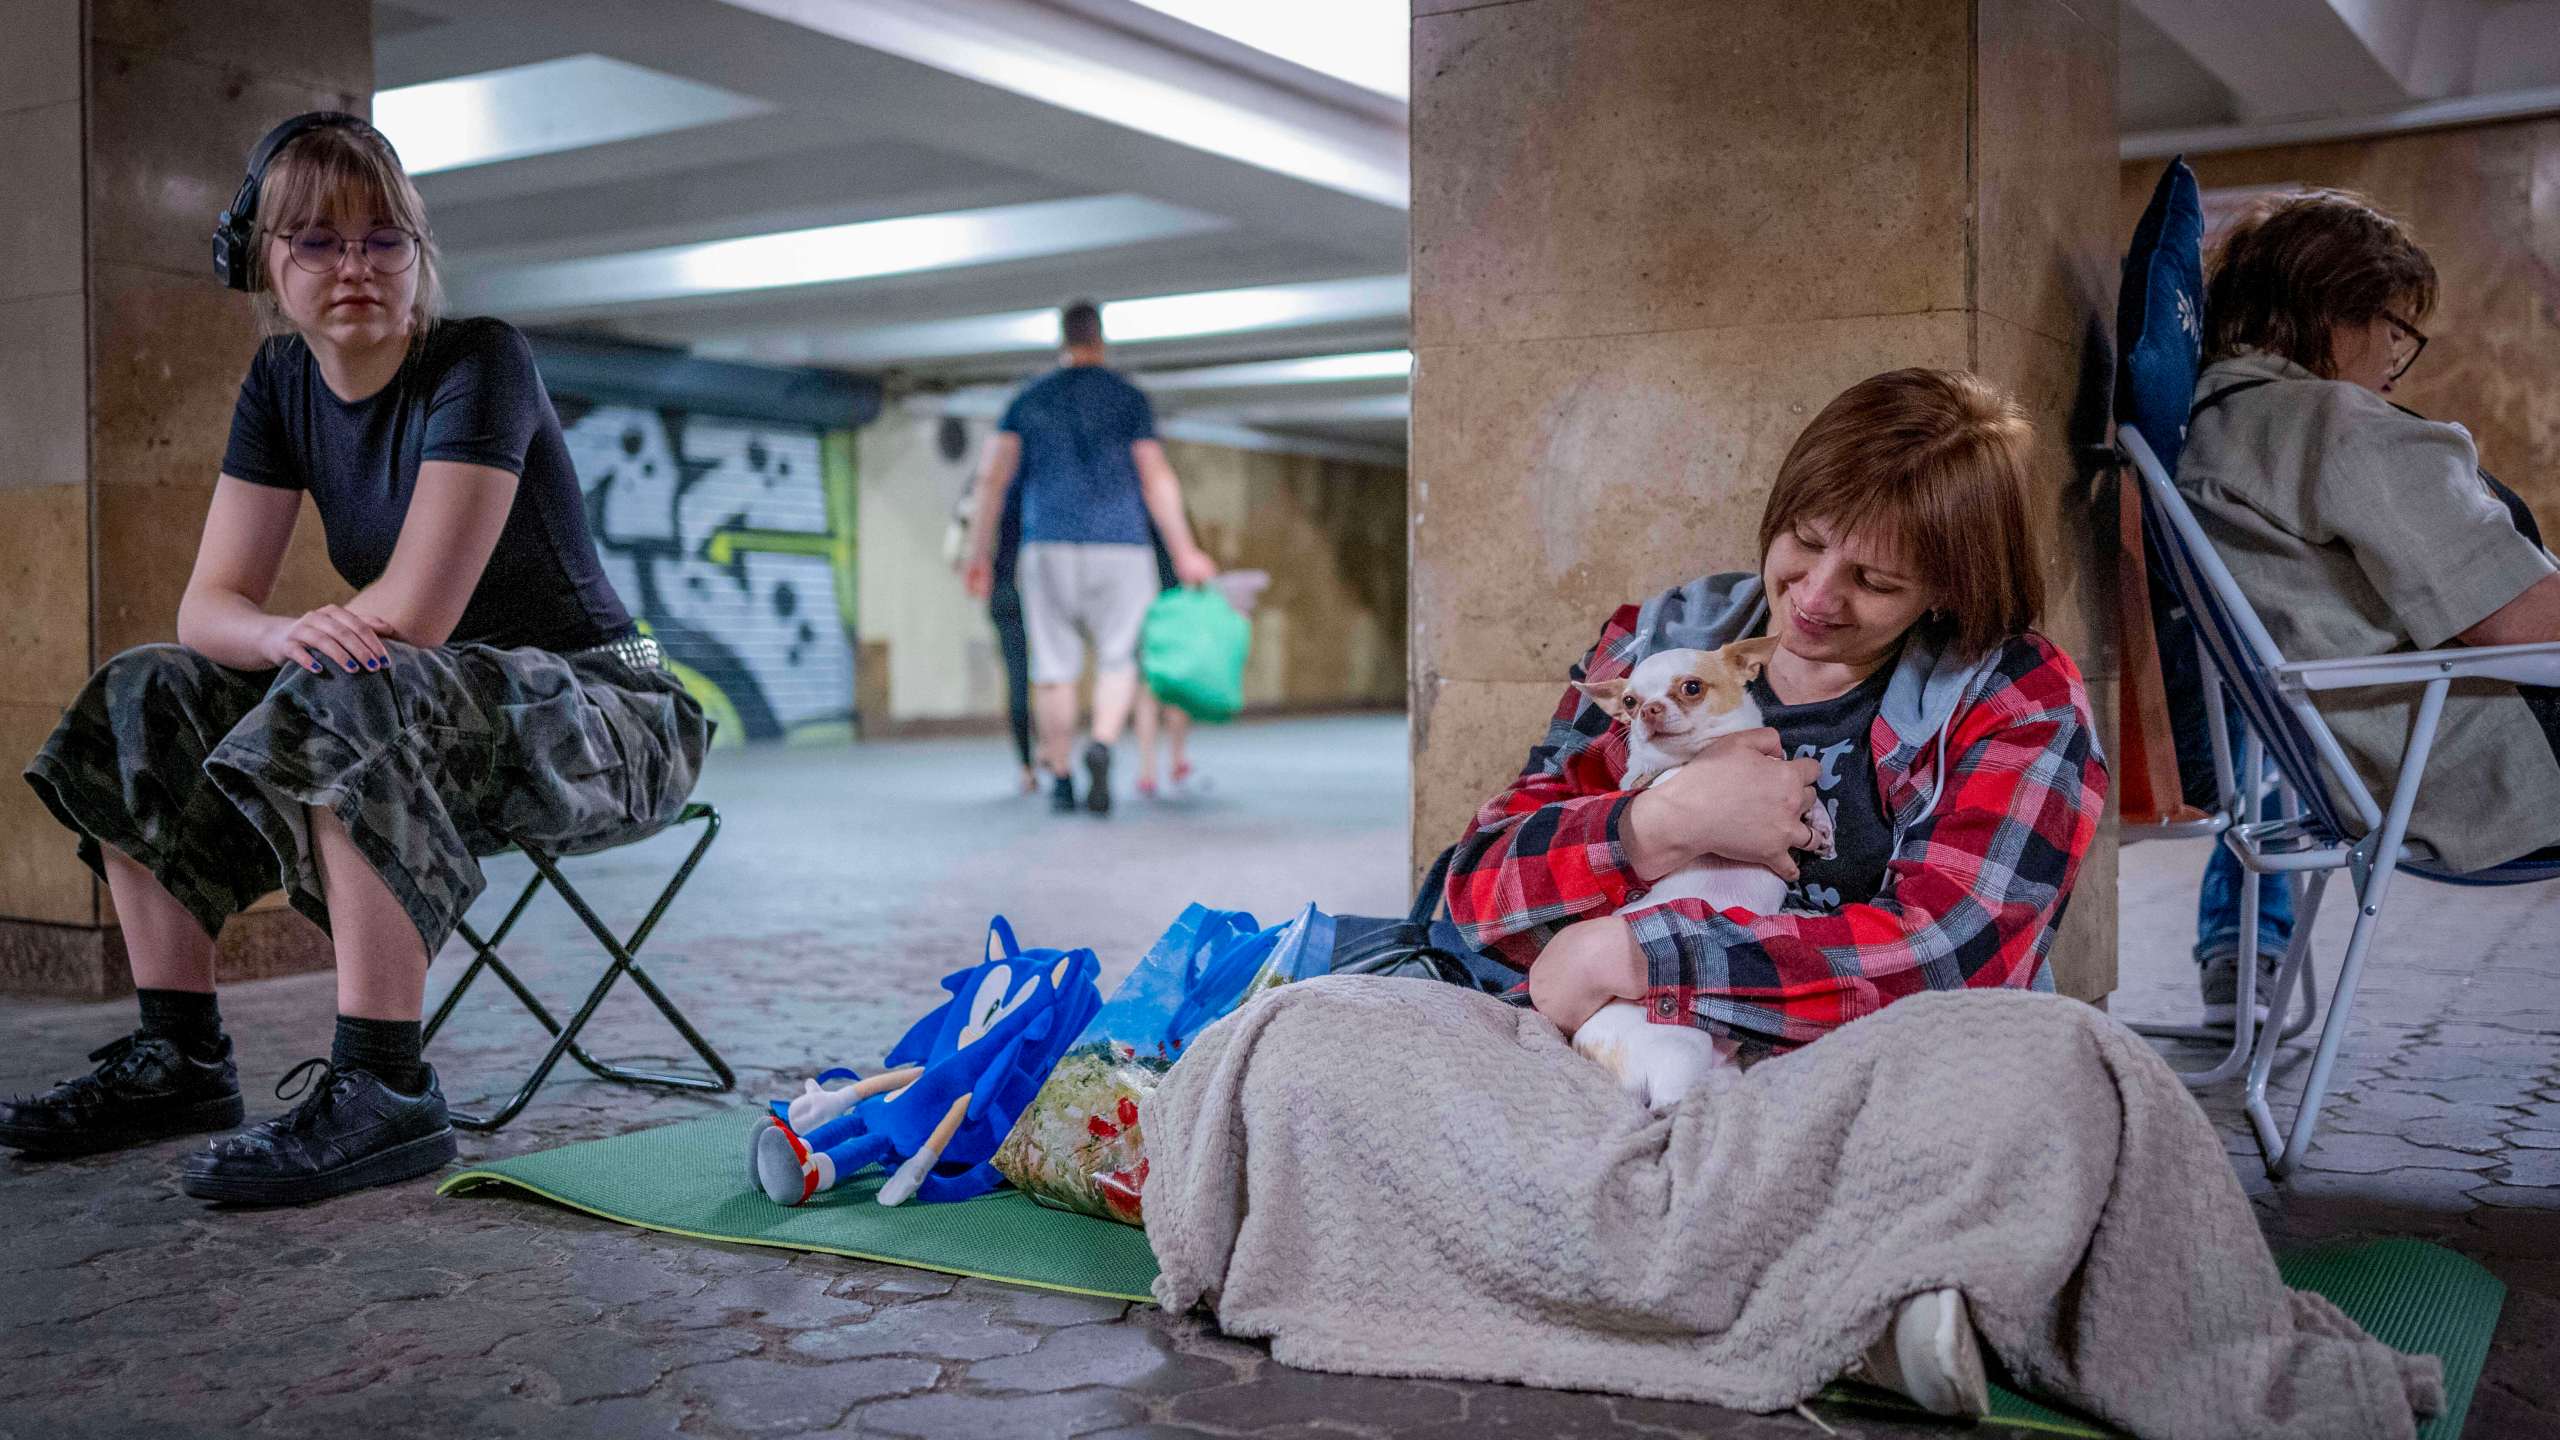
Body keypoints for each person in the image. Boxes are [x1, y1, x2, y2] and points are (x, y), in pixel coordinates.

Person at [0, 114, 709, 1205]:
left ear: (419, 254)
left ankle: (386, 1087)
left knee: (352, 681)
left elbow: (415, 616)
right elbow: (209, 606)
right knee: (145, 691)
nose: (355, 267)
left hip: (612, 713)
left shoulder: (480, 359)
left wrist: (304, 655)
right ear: (261, 261)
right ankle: (177, 1057)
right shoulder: (282, 385)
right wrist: (281, 633)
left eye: (384, 240)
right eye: (316, 243)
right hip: (432, 715)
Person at [1446, 367, 2107, 1418]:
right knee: (1310, 1036)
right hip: (1610, 1062)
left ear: (1947, 588)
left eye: (1876, 582)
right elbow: (1473, 888)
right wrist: (1655, 826)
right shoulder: (1660, 644)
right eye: (1803, 540)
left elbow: (1952, 951)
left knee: (2064, 1073)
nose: (1813, 597)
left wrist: (1641, 955)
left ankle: (1602, 1258)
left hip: (1851, 1080)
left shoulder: (2013, 691)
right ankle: (1846, 1302)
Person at [2176, 189, 2560, 1020]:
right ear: (2331, 308)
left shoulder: (2209, 430)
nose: (2397, 351)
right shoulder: (2338, 427)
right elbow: (2518, 620)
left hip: (2362, 770)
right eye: (2393, 322)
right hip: (2485, 767)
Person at [962, 300, 1216, 815]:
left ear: (1062, 338)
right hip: (1122, 545)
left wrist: (979, 552)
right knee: (1118, 660)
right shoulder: (1128, 399)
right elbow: (1155, 477)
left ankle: (1060, 773)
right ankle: (1100, 742)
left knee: (1054, 666)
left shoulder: (1028, 399)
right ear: (1100, 339)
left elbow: (993, 478)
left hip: (1047, 543)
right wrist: (1185, 550)